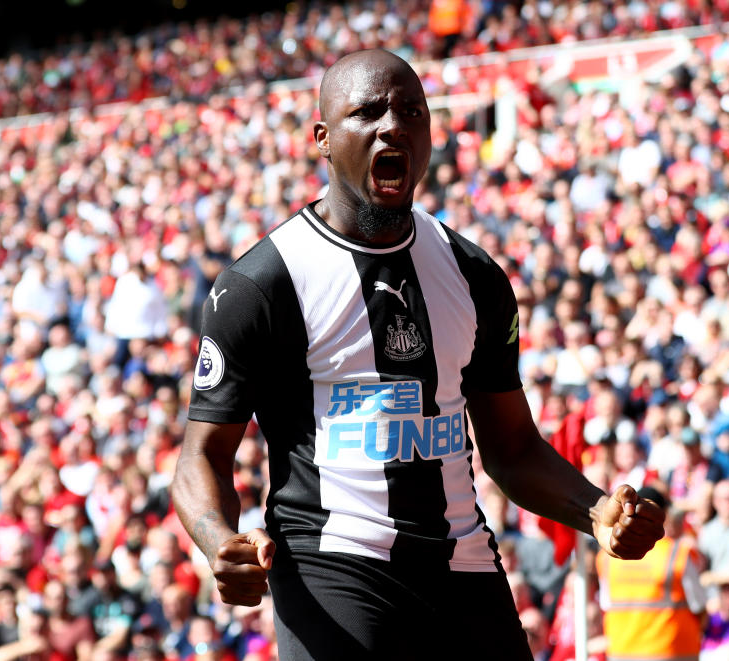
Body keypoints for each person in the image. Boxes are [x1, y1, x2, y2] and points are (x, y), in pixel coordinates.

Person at [172, 48, 664, 660]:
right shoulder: (261, 285)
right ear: (323, 138)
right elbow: (203, 456)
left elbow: (510, 449)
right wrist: (218, 539)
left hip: (465, 566)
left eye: (411, 110)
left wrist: (594, 512)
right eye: (368, 112)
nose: (392, 125)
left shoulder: (474, 275)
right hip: (335, 568)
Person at [597, 488, 706, 661]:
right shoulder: (678, 552)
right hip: (670, 651)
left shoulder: (607, 555)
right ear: (664, 515)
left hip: (622, 652)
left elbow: (605, 603)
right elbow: (699, 605)